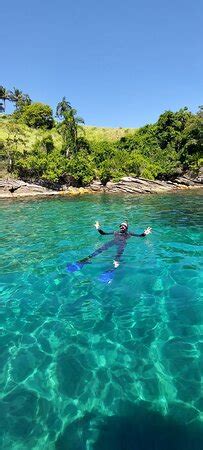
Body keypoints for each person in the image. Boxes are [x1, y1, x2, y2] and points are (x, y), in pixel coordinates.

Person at [67, 221, 152, 272]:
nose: (122, 226)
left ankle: (114, 267)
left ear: (126, 228)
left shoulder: (129, 233)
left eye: (124, 225)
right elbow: (103, 234)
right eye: (121, 225)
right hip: (113, 241)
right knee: (100, 249)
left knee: (118, 254)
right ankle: (87, 259)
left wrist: (145, 233)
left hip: (122, 243)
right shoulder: (115, 232)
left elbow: (140, 236)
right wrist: (98, 228)